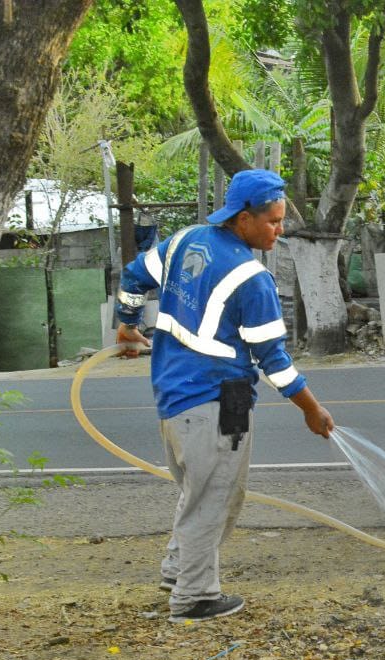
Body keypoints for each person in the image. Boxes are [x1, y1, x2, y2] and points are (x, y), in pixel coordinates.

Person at [114, 169, 333, 624]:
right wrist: (311, 409)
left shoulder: (185, 240)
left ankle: (178, 571)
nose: (280, 230)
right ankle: (194, 598)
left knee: (197, 494)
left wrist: (126, 322)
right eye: (272, 221)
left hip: (172, 400)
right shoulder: (250, 278)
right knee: (215, 502)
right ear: (243, 218)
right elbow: (274, 360)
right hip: (215, 404)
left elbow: (134, 276)